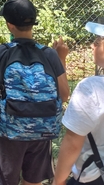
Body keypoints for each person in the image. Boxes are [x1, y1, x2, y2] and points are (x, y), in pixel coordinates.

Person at [0, 0, 70, 185]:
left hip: (9, 131)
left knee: (5, 180)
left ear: (9, 25)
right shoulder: (48, 53)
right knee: (33, 181)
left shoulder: (1, 52)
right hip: (42, 129)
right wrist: (61, 58)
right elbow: (64, 95)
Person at [53, 21, 104, 185]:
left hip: (94, 175)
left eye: (97, 42)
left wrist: (58, 181)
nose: (91, 46)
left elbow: (73, 142)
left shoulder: (91, 88)